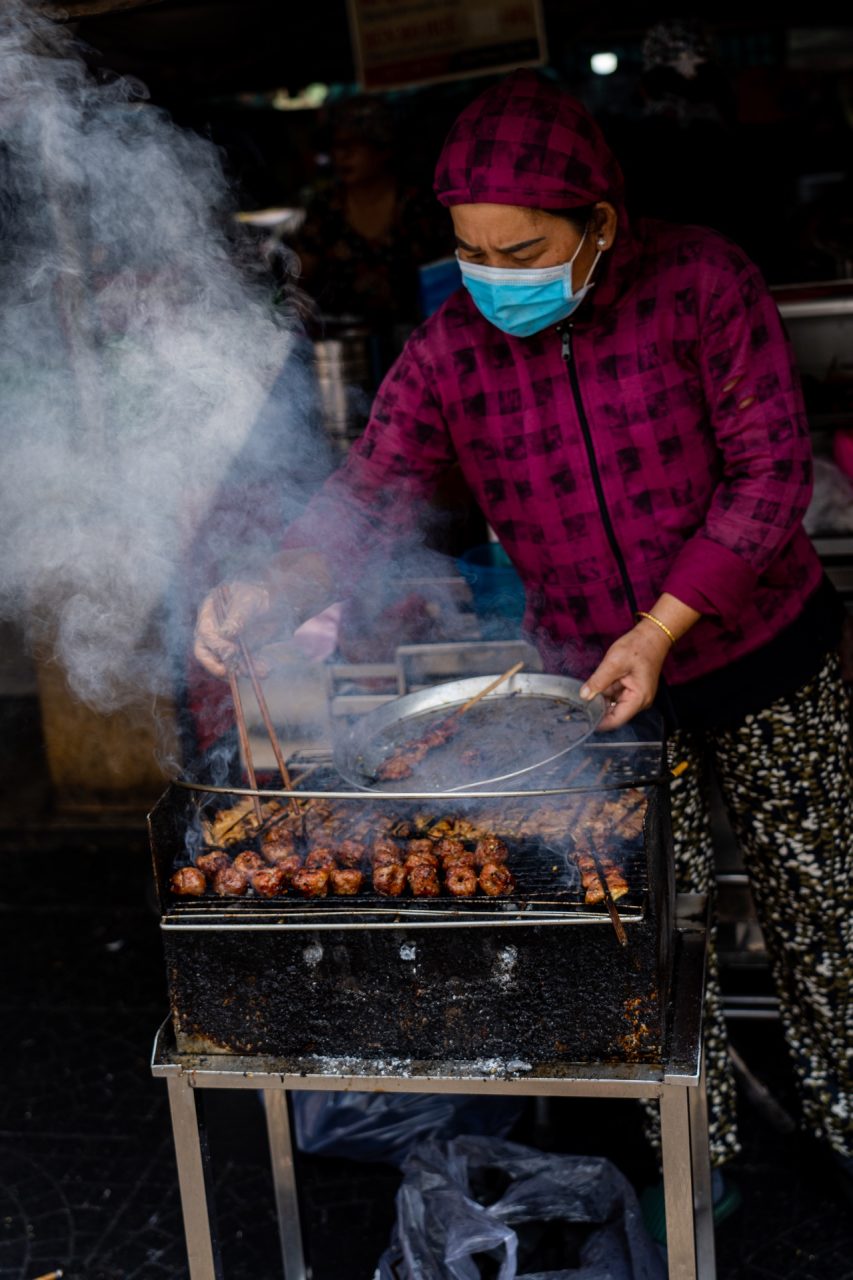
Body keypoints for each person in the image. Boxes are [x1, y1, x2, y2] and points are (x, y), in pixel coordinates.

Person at [194, 71, 852, 1193]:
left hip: (761, 655)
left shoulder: (700, 282)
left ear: (598, 218)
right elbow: (369, 489)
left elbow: (766, 476)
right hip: (593, 690)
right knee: (635, 938)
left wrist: (659, 625)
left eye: (521, 250)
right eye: (474, 253)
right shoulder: (452, 349)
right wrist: (274, 583)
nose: (495, 279)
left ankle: (844, 1120)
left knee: (824, 911)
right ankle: (696, 1170)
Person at [293, 96, 452, 336]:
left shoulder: (418, 206)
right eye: (337, 146)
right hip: (346, 345)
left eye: (354, 145)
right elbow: (300, 275)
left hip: (420, 337)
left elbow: (448, 274)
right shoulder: (325, 209)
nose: (342, 155)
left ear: (384, 150)